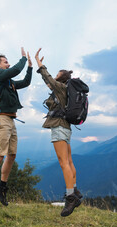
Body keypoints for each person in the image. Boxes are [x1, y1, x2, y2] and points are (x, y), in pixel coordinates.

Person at [0, 47, 33, 214]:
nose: (8, 63)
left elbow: (25, 82)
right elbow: (16, 69)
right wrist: (23, 59)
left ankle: (1, 187)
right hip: (0, 120)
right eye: (5, 61)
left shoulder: (7, 82)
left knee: (12, 155)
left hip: (10, 119)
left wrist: (30, 68)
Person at [34, 48, 82, 217]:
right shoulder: (63, 90)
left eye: (57, 74)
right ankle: (75, 191)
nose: (54, 76)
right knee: (69, 161)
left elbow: (47, 77)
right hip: (66, 128)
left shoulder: (60, 88)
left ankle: (70, 197)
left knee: (63, 163)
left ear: (61, 78)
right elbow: (48, 82)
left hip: (59, 128)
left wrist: (39, 63)